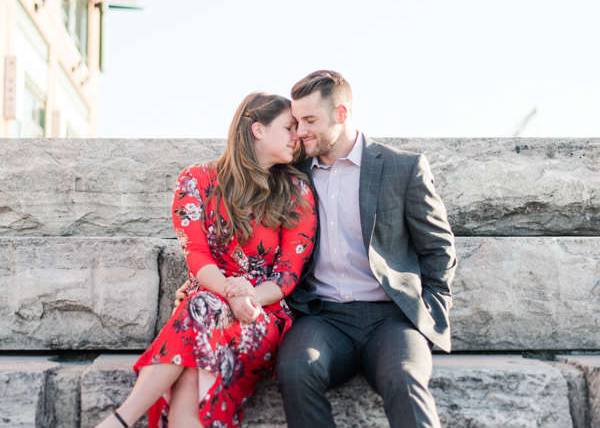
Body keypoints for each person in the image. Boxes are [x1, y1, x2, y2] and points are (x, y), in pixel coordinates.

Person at [179, 71, 457, 428]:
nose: (300, 132)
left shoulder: (402, 168)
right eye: (295, 122)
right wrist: (201, 282)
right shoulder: (291, 172)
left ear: (341, 114)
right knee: (295, 370)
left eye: (310, 121)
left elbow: (438, 249)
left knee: (405, 378)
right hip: (321, 317)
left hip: (392, 318)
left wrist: (429, 313)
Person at [94, 92, 317, 428]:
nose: (297, 136)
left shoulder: (295, 191)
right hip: (207, 299)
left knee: (198, 313)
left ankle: (120, 421)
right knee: (201, 309)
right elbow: (196, 255)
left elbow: (288, 275)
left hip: (263, 311)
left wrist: (247, 296)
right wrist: (231, 292)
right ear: (258, 129)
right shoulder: (196, 181)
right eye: (289, 127)